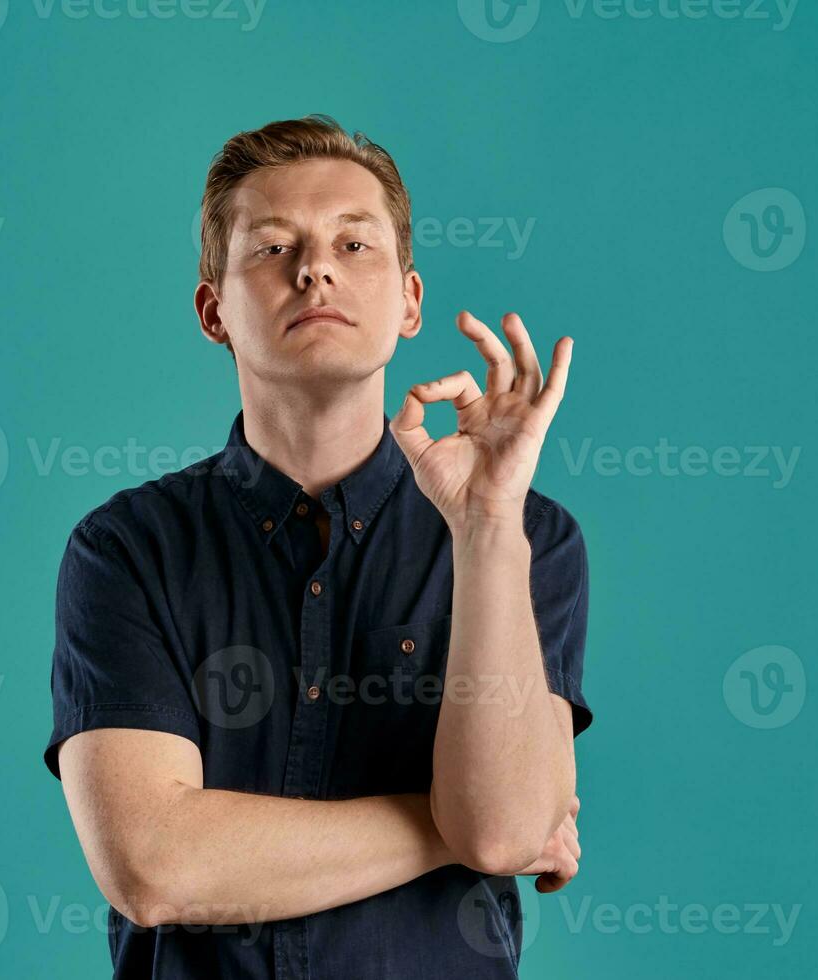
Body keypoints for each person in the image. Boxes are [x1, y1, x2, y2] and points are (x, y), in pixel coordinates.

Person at [43, 114, 591, 979]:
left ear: (410, 301)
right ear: (213, 310)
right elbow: (154, 867)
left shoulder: (527, 535)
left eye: (354, 243)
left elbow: (502, 831)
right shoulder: (126, 551)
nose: (316, 268)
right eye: (271, 248)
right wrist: (445, 825)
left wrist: (486, 527)